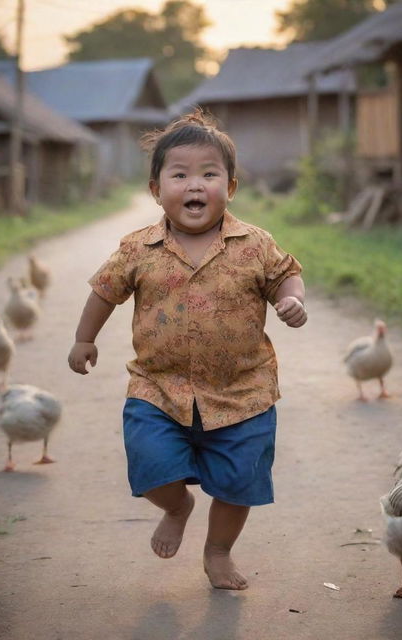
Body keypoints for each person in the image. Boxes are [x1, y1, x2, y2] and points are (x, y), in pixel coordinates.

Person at [68, 110, 307, 591]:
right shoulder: (138, 249)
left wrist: (291, 299)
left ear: (231, 187)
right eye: (179, 174)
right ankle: (177, 506)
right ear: (156, 190)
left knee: (240, 482)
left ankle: (218, 551)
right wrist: (83, 338)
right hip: (158, 388)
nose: (194, 185)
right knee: (149, 464)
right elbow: (105, 292)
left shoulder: (254, 244)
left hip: (244, 392)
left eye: (208, 174)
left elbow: (285, 274)